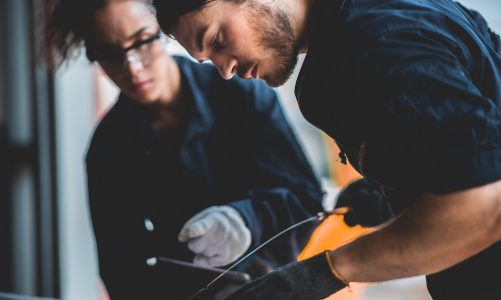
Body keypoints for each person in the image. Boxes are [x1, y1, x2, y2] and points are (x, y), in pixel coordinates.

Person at [152, 0, 501, 299]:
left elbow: (486, 204)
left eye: (216, 39)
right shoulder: (368, 25)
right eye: (208, 59)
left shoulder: (380, 43)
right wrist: (397, 191)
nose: (224, 70)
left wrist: (324, 272)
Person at [42, 0, 326, 298]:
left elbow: (306, 200)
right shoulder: (110, 149)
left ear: (163, 29)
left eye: (141, 41)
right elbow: (121, 272)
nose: (133, 67)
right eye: (110, 54)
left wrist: (246, 220)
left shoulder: (239, 93)